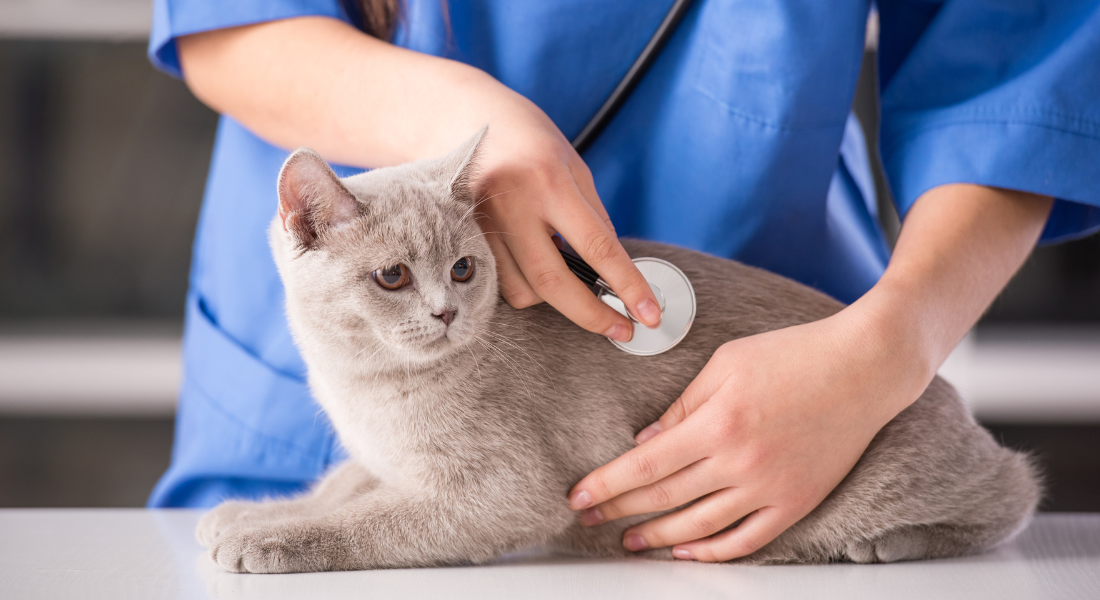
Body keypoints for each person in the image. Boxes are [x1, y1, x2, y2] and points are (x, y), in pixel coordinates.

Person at [148, 0, 1100, 562]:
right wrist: (465, 118)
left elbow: (1014, 76)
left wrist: (888, 346)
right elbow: (226, 20)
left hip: (791, 386)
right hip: (335, 345)